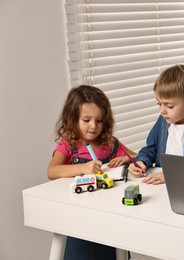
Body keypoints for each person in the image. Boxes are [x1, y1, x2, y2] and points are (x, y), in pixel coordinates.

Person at [47, 84, 137, 260]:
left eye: (99, 120)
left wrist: (126, 159)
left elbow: (139, 156)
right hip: (79, 220)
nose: (94, 126)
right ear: (73, 119)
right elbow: (52, 171)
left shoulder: (109, 144)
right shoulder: (68, 146)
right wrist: (83, 168)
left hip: (109, 216)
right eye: (86, 120)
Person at [128, 64, 184, 184]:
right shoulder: (163, 121)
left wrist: (172, 175)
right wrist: (141, 162)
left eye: (169, 106)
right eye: (159, 104)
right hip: (161, 185)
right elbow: (151, 149)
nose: (162, 110)